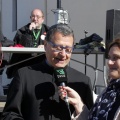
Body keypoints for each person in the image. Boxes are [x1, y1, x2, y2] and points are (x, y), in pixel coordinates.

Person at [1, 24, 93, 120]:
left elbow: (93, 116)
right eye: (58, 48)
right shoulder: (24, 76)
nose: (63, 54)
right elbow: (9, 114)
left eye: (68, 50)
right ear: (45, 45)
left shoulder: (83, 81)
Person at [59, 38, 120, 120]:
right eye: (109, 57)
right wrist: (78, 103)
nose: (109, 62)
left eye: (115, 57)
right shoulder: (109, 90)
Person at [6, 8, 49, 79]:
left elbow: (54, 44)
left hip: (42, 64)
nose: (35, 19)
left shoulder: (49, 31)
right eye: (33, 16)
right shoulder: (23, 31)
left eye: (38, 17)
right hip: (25, 64)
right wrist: (29, 32)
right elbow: (18, 46)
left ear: (43, 19)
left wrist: (45, 46)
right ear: (30, 18)